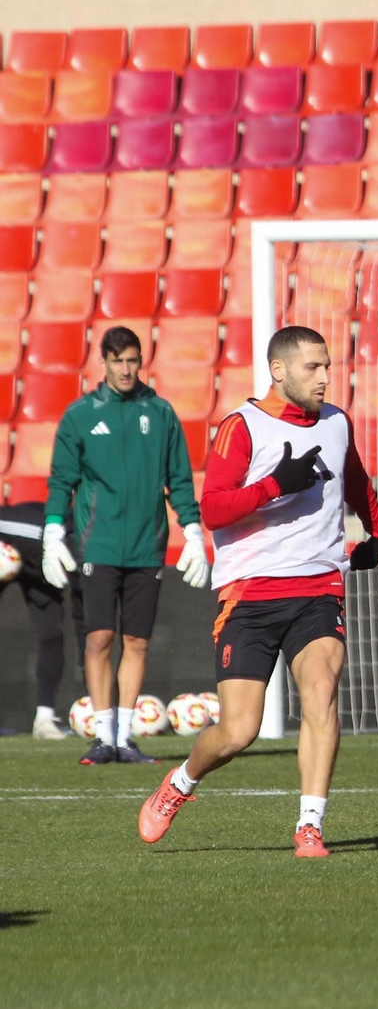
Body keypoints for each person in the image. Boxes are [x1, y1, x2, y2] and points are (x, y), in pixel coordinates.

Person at [138, 325, 378, 858]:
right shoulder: (242, 426)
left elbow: (356, 479)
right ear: (279, 371)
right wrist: (277, 483)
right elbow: (213, 510)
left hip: (319, 584)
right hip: (250, 594)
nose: (325, 377)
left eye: (326, 366)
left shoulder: (337, 422)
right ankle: (181, 783)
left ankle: (310, 826)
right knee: (238, 733)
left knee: (321, 694)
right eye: (312, 368)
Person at [43, 325, 209, 765]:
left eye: (132, 360)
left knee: (137, 641)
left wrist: (192, 531)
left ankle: (123, 737)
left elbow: (179, 480)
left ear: (141, 360)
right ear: (104, 362)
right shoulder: (80, 414)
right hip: (98, 546)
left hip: (146, 546)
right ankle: (102, 736)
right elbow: (62, 479)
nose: (126, 369)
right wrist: (52, 531)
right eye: (118, 361)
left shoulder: (160, 413)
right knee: (99, 638)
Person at [0, 502, 86, 740]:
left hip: (38, 567)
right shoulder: (37, 530)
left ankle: (45, 719)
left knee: (52, 634)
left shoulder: (87, 552)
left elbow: (83, 616)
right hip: (12, 547)